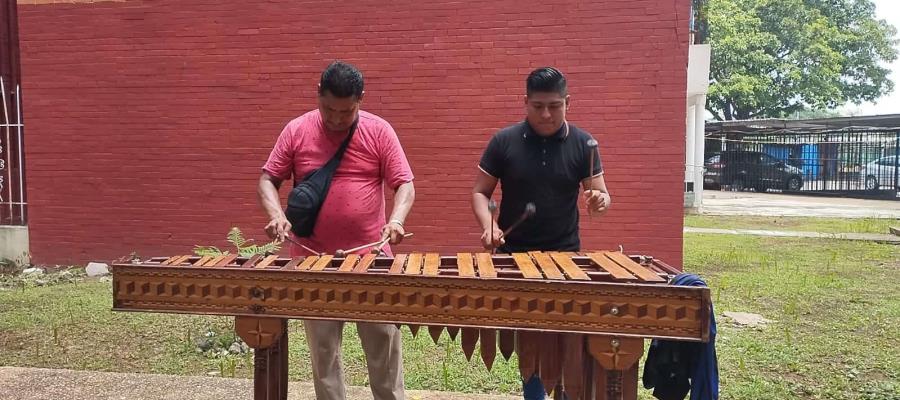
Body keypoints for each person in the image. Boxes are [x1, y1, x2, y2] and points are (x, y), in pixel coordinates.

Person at [257, 60, 414, 400]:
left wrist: (397, 219)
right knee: (324, 355)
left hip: (371, 258)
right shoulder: (297, 130)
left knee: (384, 352)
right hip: (313, 259)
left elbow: (405, 184)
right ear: (318, 96)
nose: (336, 119)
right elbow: (269, 179)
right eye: (329, 109)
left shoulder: (379, 131)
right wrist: (275, 215)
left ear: (361, 99)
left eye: (346, 111)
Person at [470, 67, 611, 399]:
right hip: (515, 259)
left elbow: (602, 195)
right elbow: (480, 192)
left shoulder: (582, 144)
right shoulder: (503, 141)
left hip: (565, 259)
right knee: (531, 340)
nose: (546, 114)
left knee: (566, 339)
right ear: (525, 102)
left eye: (554, 105)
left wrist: (600, 200)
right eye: (537, 106)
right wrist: (489, 225)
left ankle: (563, 394)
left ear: (567, 103)